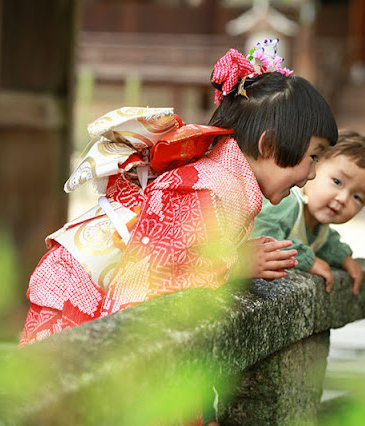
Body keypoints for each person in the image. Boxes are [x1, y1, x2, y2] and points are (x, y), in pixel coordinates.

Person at [20, 39, 338, 346]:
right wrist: (237, 262)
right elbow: (148, 272)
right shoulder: (204, 186)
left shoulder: (224, 183)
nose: (311, 174)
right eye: (313, 156)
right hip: (75, 295)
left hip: (86, 292)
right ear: (269, 145)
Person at [251, 130, 365, 295]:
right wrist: (309, 260)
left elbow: (327, 241)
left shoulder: (319, 225)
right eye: (337, 182)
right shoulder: (284, 203)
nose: (343, 198)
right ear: (311, 169)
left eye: (357, 197)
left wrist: (345, 259)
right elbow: (264, 241)